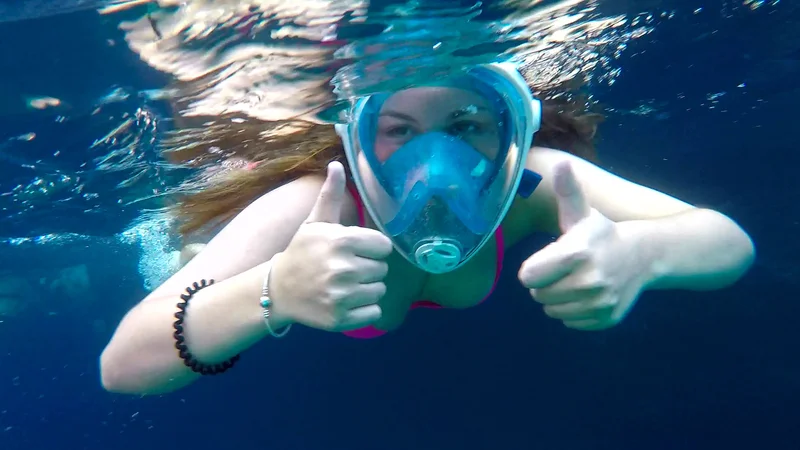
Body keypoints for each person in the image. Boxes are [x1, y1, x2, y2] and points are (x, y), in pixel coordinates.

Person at [99, 62, 755, 395]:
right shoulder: (316, 202)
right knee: (198, 260)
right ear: (357, 142)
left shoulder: (533, 179)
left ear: (509, 132)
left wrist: (640, 253)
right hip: (259, 253)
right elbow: (122, 364)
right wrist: (271, 290)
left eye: (467, 126)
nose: (435, 166)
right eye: (400, 132)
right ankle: (184, 250)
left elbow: (727, 241)